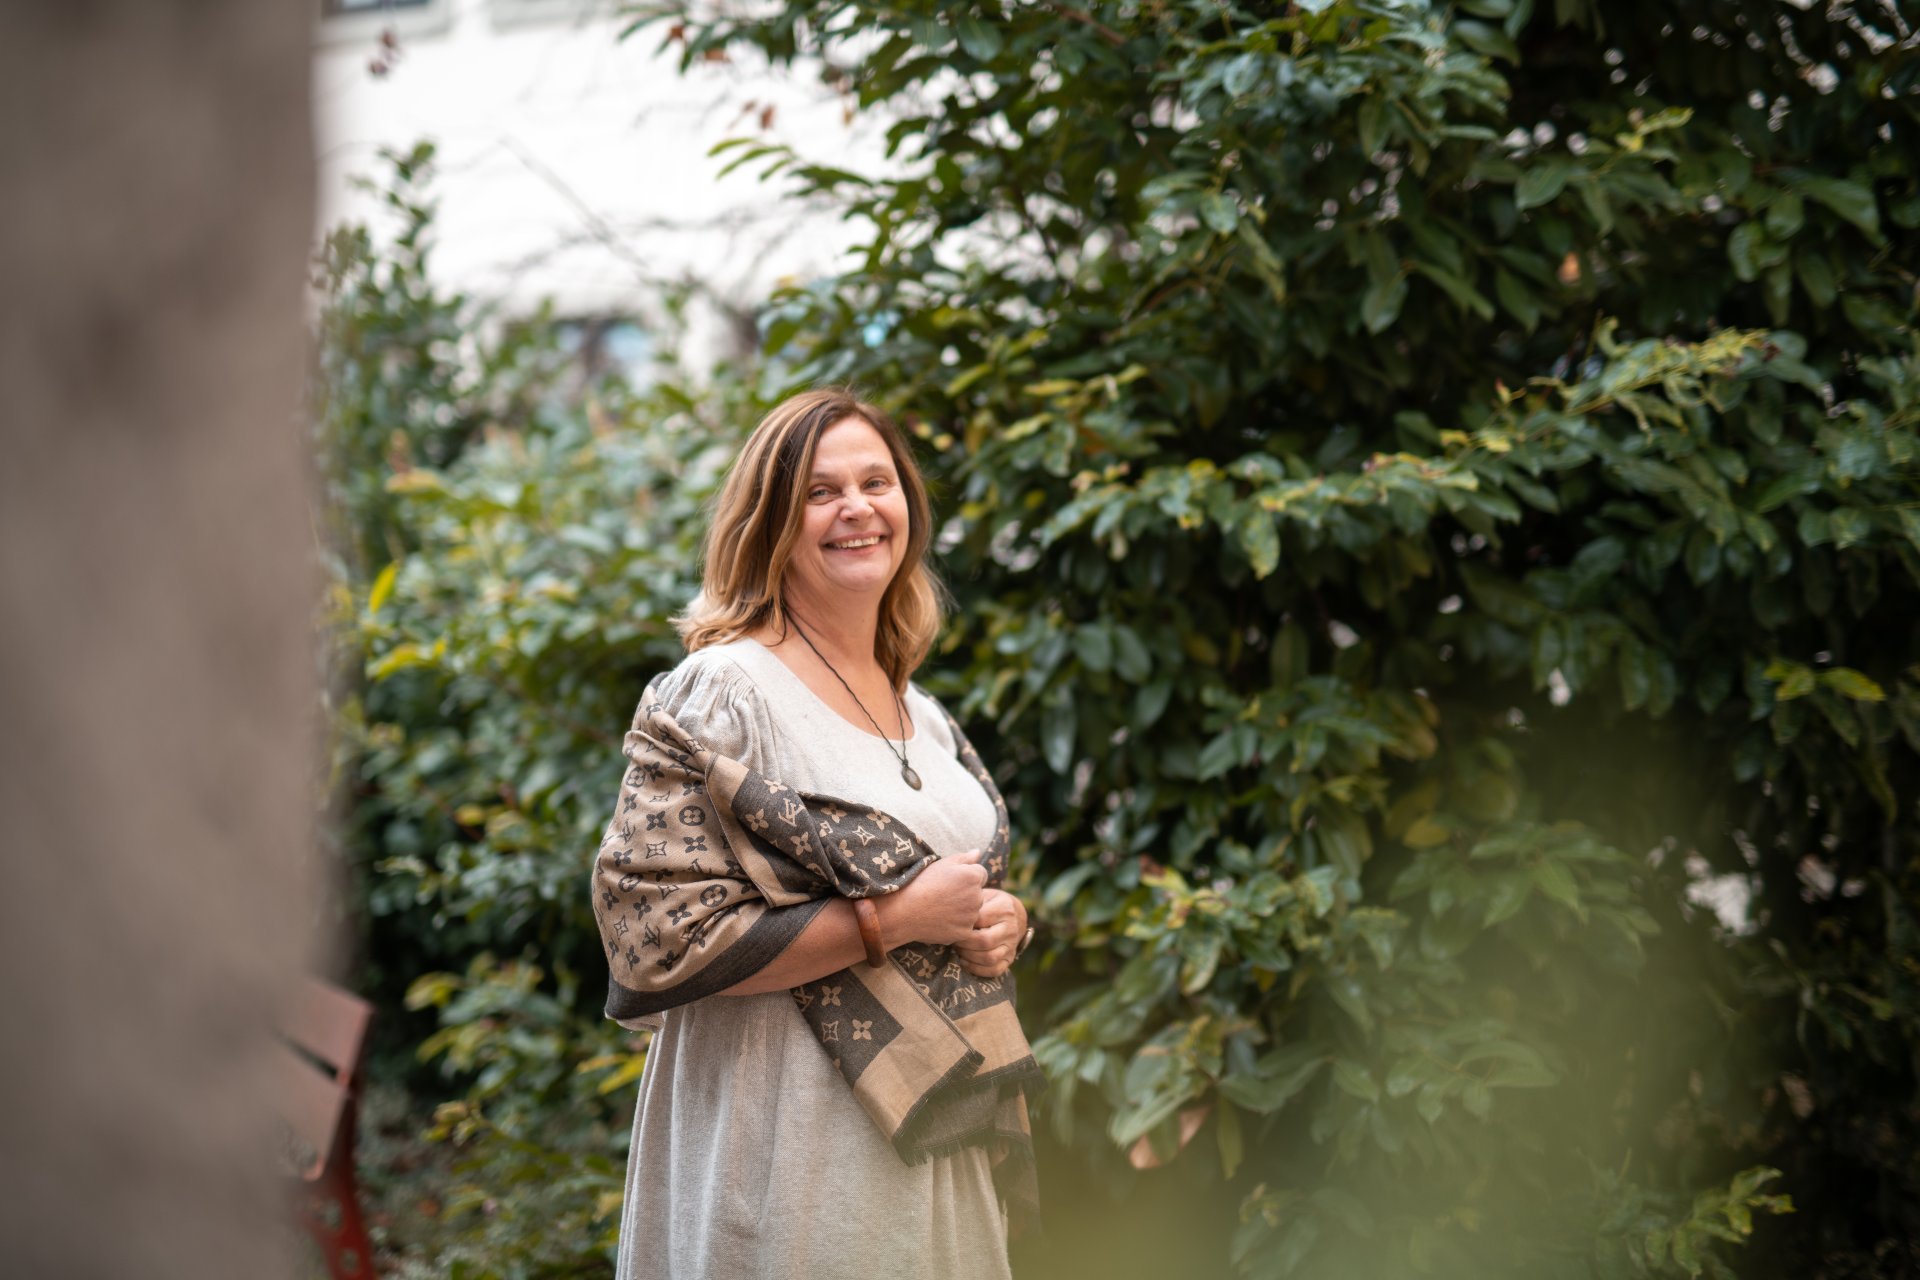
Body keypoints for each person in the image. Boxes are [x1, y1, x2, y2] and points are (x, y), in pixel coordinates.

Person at [599, 388, 1036, 1280]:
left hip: (929, 1117)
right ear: (772, 522)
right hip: (785, 1140)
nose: (857, 509)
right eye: (820, 491)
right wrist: (899, 917)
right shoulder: (724, 690)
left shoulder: (919, 706)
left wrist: (997, 921)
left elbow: (957, 881)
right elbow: (657, 938)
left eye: (877, 482)